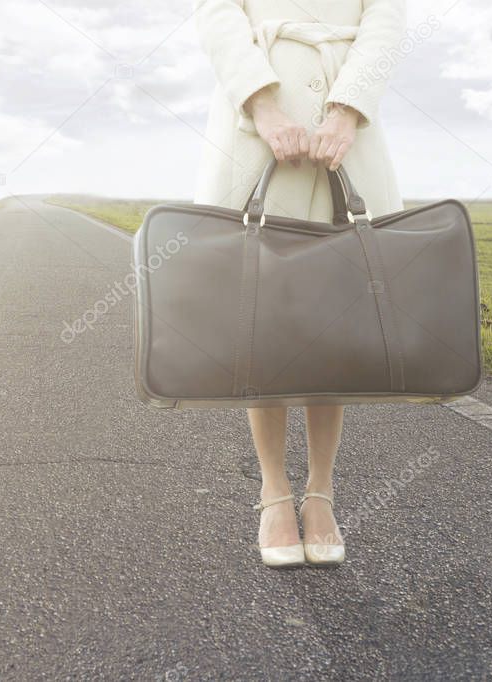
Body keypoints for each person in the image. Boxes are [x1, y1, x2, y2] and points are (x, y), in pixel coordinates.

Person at [193, 0, 407, 567]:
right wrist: (262, 107)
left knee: (331, 316)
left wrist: (346, 110)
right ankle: (274, 493)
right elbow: (217, 16)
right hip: (255, 129)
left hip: (346, 134)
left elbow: (385, 22)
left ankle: (321, 492)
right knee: (264, 316)